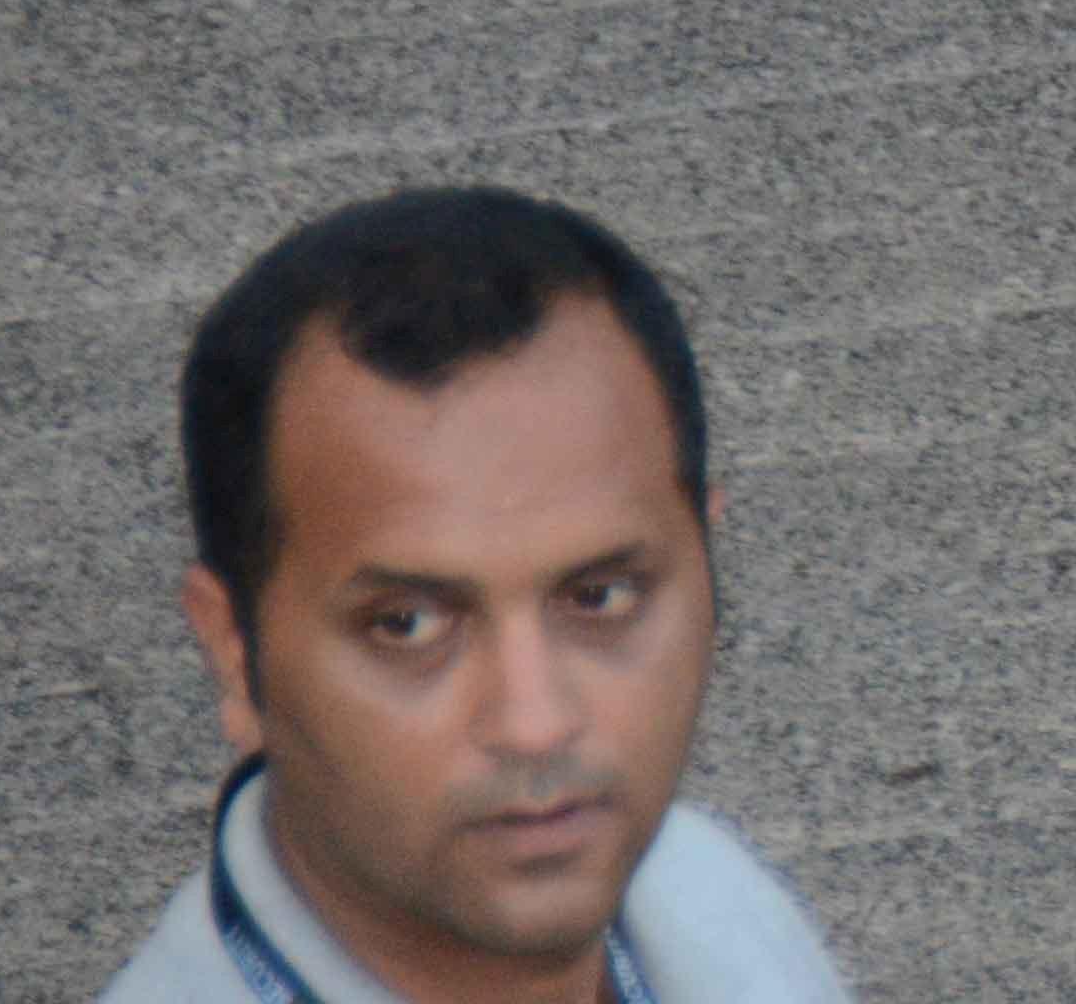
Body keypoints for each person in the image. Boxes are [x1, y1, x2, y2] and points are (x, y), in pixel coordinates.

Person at [107, 192, 850, 1002]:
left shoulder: (708, 894)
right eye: (407, 625)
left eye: (600, 598)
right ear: (233, 654)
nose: (535, 725)